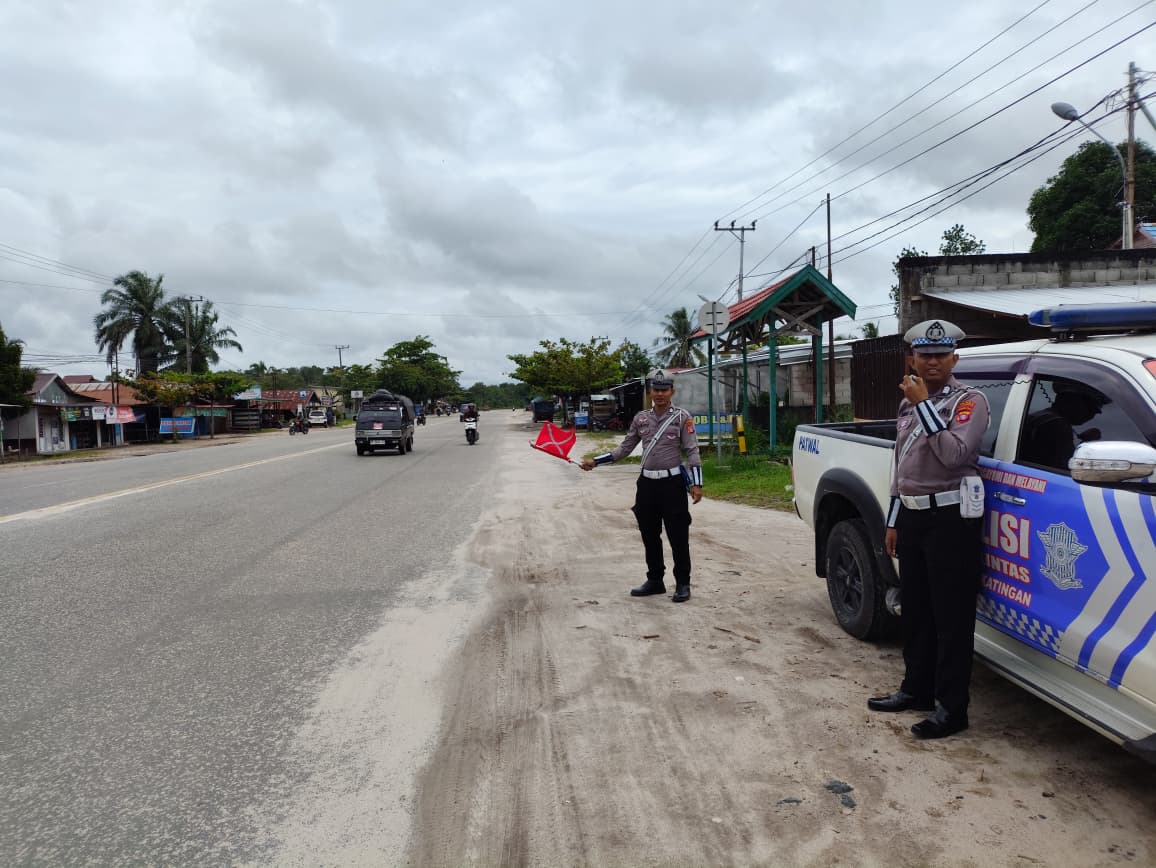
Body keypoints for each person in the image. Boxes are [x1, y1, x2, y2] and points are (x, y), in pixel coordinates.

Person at [868, 319, 990, 740]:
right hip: (913, 517)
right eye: (925, 355)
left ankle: (952, 709)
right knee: (916, 609)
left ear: (954, 359)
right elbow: (902, 466)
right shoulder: (907, 405)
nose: (932, 361)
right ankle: (915, 689)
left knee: (951, 617)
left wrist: (923, 405)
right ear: (912, 359)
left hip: (951, 519)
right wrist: (893, 519)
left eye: (940, 355)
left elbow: (956, 456)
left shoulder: (969, 402)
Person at [580, 370, 703, 603]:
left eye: (664, 390)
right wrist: (596, 461)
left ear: (672, 392)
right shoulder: (641, 418)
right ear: (650, 392)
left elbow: (692, 450)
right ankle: (655, 580)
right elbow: (624, 448)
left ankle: (682, 583)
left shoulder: (682, 417)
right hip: (647, 484)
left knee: (678, 535)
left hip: (672, 484)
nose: (659, 394)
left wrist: (697, 484)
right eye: (656, 390)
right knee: (649, 534)